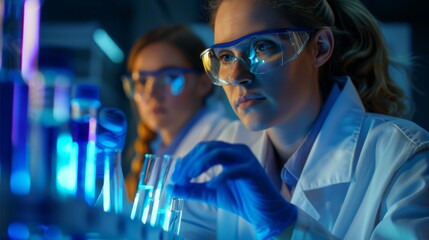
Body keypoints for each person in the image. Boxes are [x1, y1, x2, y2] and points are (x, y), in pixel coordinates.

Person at [169, 0, 429, 239]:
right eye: (226, 56)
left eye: (262, 46)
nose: (237, 75)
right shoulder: (224, 151)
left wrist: (287, 227)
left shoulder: (404, 159)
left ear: (319, 48)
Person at [122, 24, 231, 239]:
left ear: (203, 82)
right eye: (142, 81)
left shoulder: (226, 144)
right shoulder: (159, 148)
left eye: (170, 77)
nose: (152, 93)